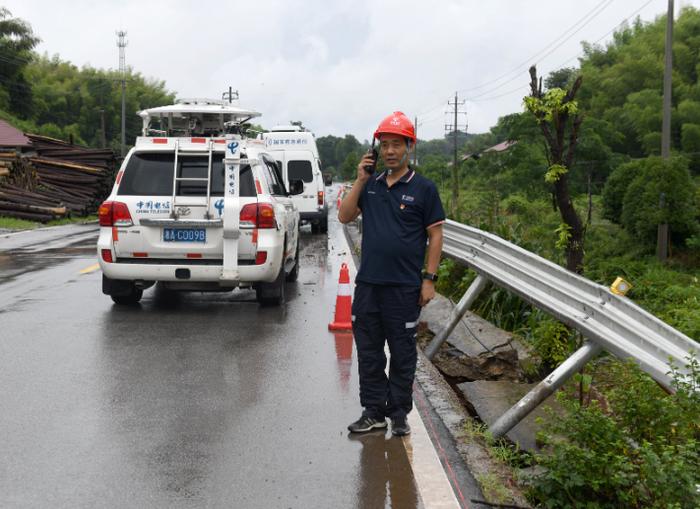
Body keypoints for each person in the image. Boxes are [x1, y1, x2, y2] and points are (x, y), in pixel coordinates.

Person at [338, 111, 445, 436]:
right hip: (369, 285)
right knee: (369, 354)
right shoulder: (370, 187)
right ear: (376, 150)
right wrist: (360, 178)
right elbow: (344, 216)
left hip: (403, 288)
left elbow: (436, 235)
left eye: (396, 144)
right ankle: (373, 412)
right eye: (384, 145)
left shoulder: (424, 189)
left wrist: (429, 279)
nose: (389, 151)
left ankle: (398, 413)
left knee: (401, 354)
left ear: (408, 147)